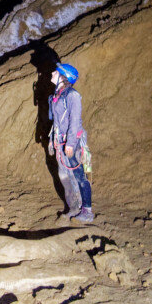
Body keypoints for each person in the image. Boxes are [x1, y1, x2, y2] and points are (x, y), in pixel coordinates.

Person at [48, 62, 94, 223]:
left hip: (71, 142)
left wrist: (71, 143)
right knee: (64, 176)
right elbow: (58, 122)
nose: (53, 72)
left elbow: (75, 121)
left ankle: (87, 211)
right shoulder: (58, 95)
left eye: (56, 71)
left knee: (79, 176)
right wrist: (52, 139)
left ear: (63, 76)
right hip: (60, 141)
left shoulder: (72, 95)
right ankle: (74, 208)